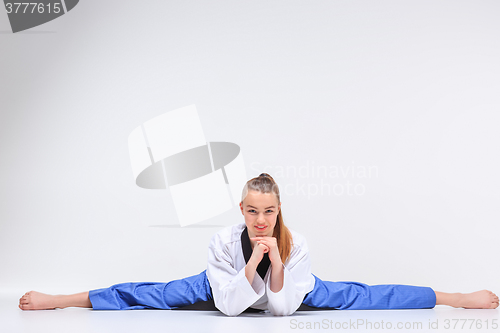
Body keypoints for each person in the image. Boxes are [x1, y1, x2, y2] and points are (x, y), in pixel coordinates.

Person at [19, 174, 499, 315]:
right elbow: (228, 307)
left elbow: (283, 311)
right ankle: (64, 298)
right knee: (151, 293)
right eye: (252, 211)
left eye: (269, 211)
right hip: (222, 286)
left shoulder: (296, 242)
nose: (262, 220)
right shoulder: (224, 241)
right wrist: (252, 261)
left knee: (368, 294)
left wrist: (279, 267)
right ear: (242, 210)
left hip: (293, 289)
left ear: (279, 209)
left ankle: (456, 296)